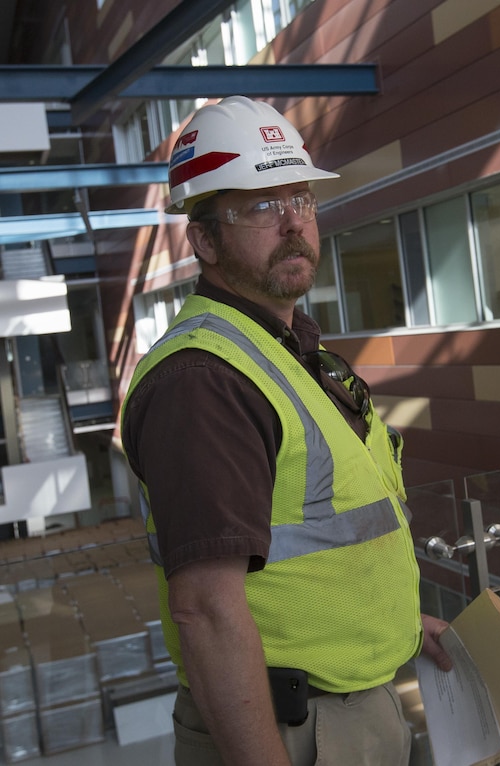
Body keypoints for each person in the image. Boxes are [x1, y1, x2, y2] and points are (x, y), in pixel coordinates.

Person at [121, 95, 452, 766]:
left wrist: (393, 623)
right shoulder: (203, 379)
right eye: (260, 207)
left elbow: (304, 546)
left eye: (301, 199)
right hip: (286, 733)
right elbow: (206, 612)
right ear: (205, 239)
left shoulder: (287, 349)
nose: (293, 225)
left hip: (348, 708)